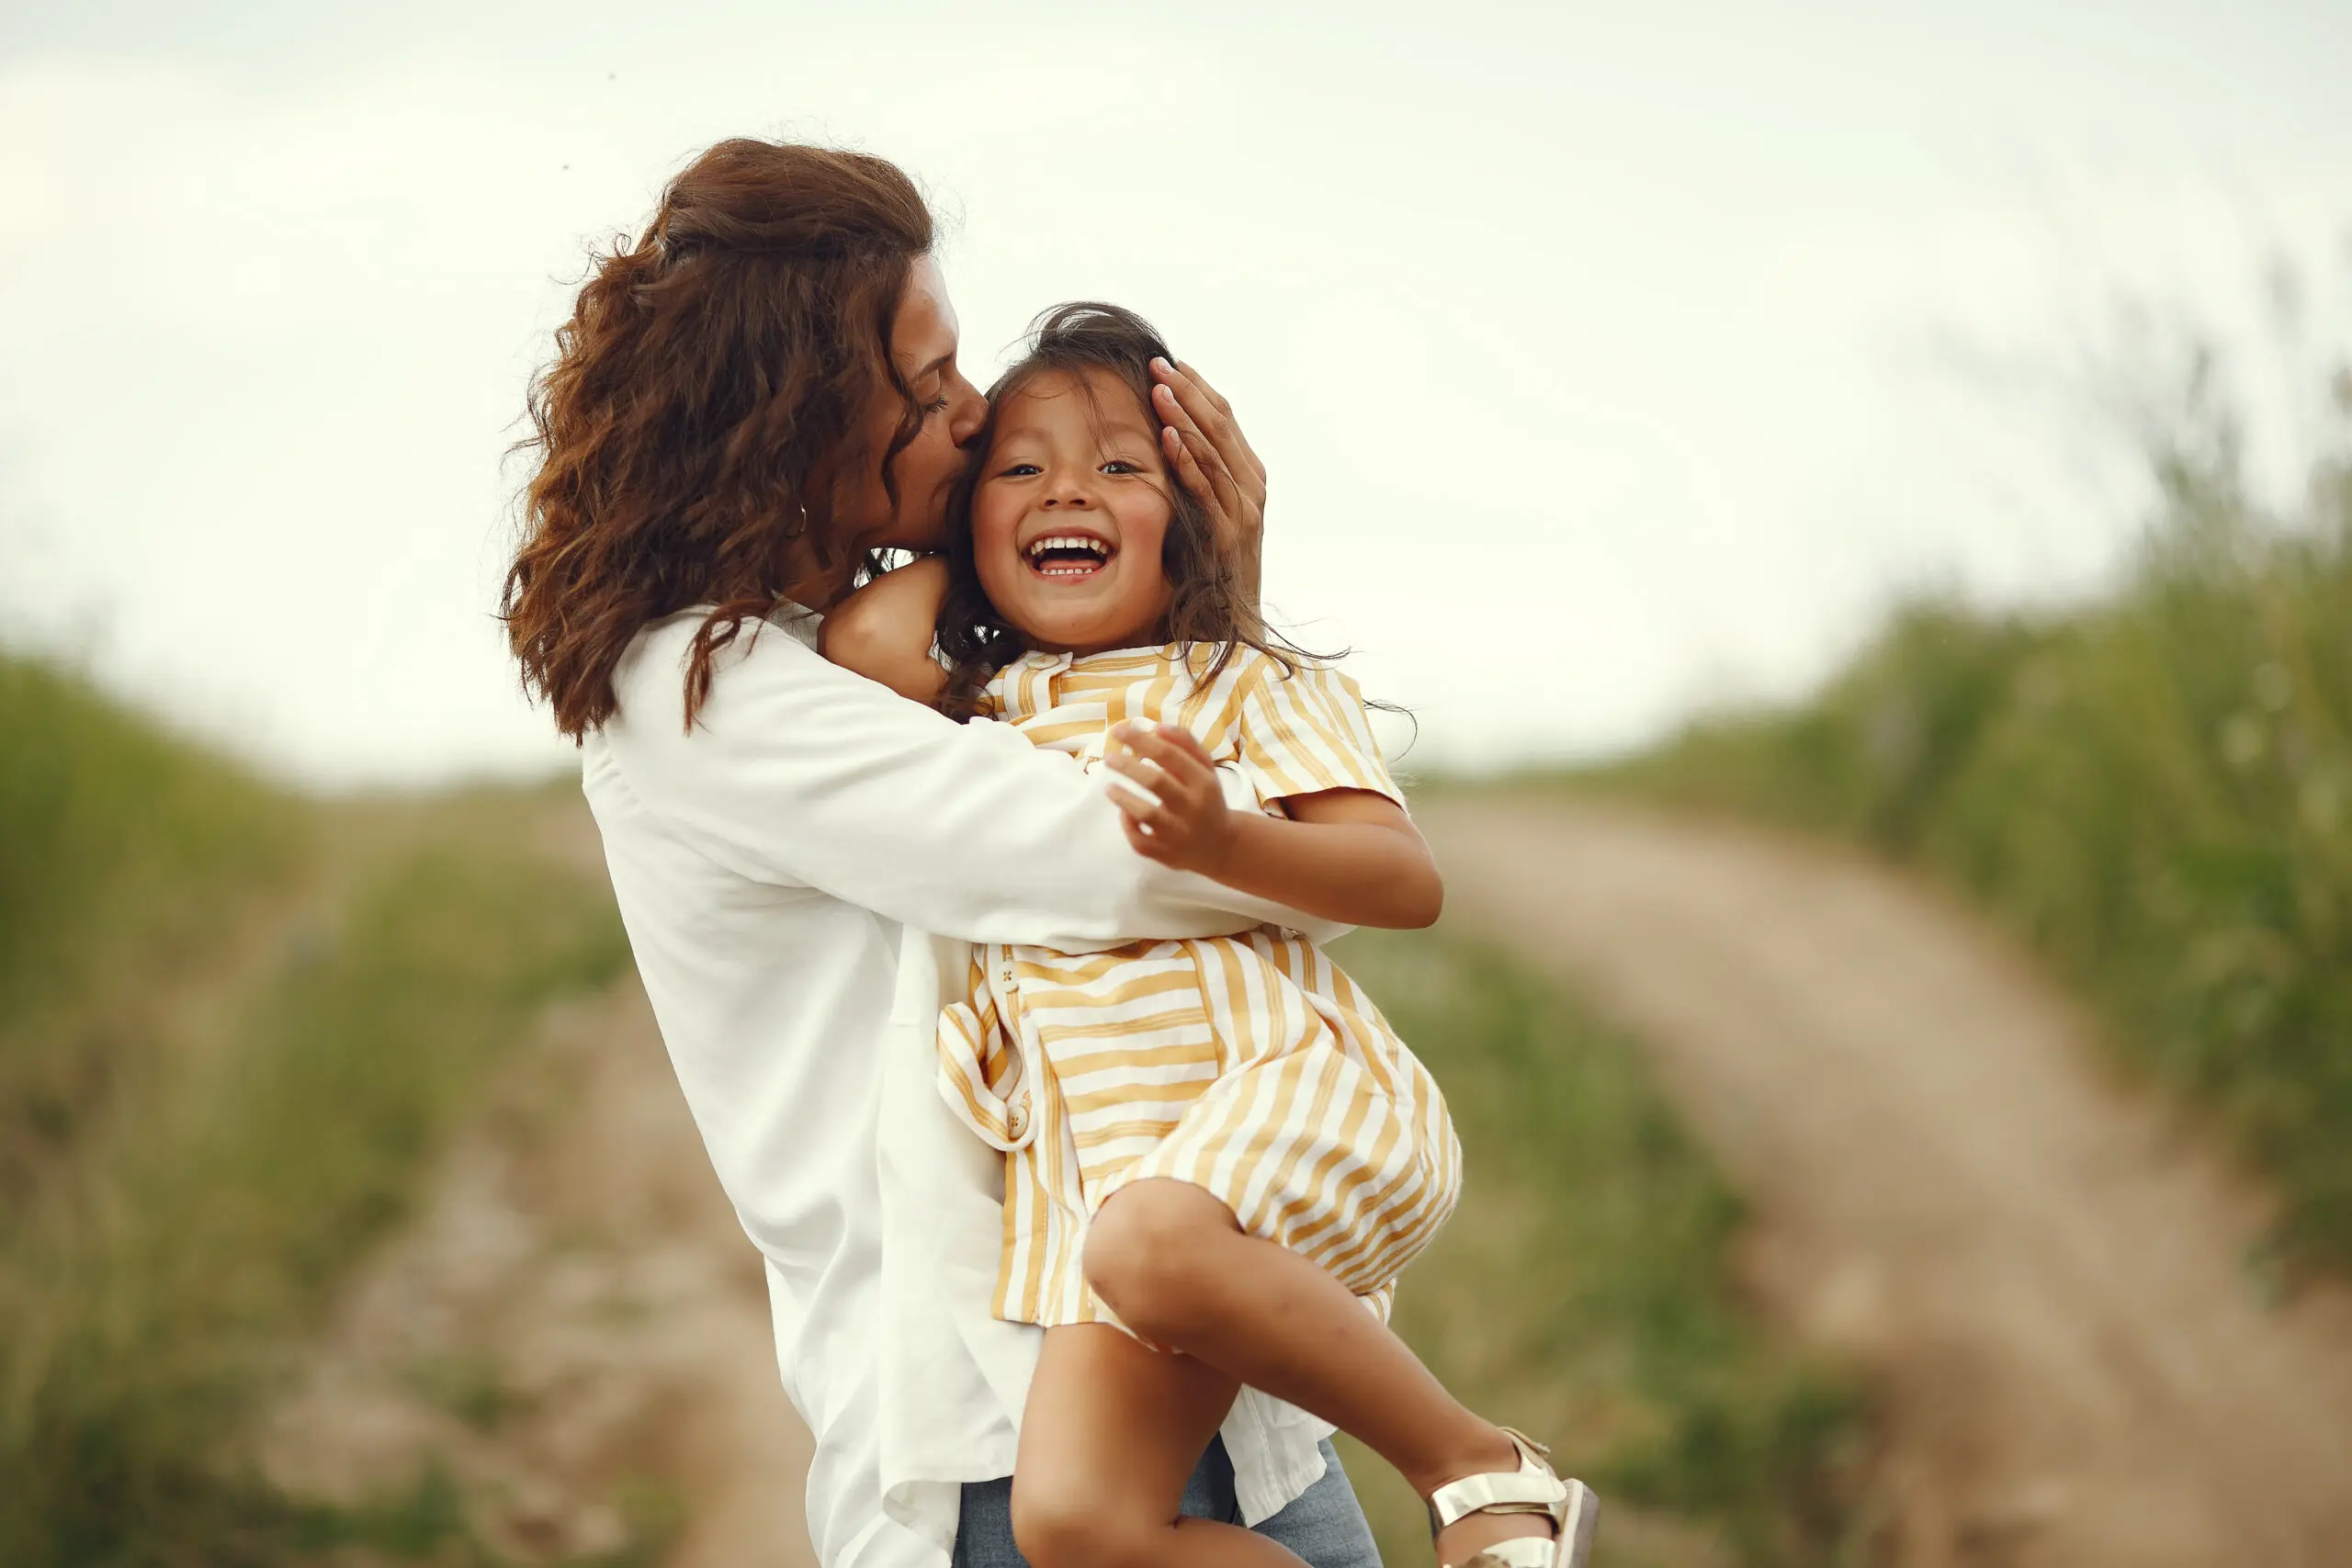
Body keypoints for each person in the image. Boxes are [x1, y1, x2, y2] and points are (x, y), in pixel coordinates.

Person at [503, 139, 1380, 1568]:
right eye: (924, 387)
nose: (974, 417)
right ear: (793, 414)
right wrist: (1241, 688)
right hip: (1003, 1445)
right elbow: (1168, 866)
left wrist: (1209, 607)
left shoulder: (861, 650)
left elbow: (1233, 863)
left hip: (1219, 1396)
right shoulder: (702, 693)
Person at [822, 304, 1599, 1568]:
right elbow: (863, 637)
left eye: (1121, 466)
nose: (1065, 488)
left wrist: (1217, 839)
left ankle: (1481, 1468)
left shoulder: (1235, 677)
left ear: (1191, 514)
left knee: (1149, 1241)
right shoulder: (991, 702)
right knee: (1076, 1522)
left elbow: (1403, 878)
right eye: (1019, 467)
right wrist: (962, 526)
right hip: (1120, 1191)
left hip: (1284, 1094)